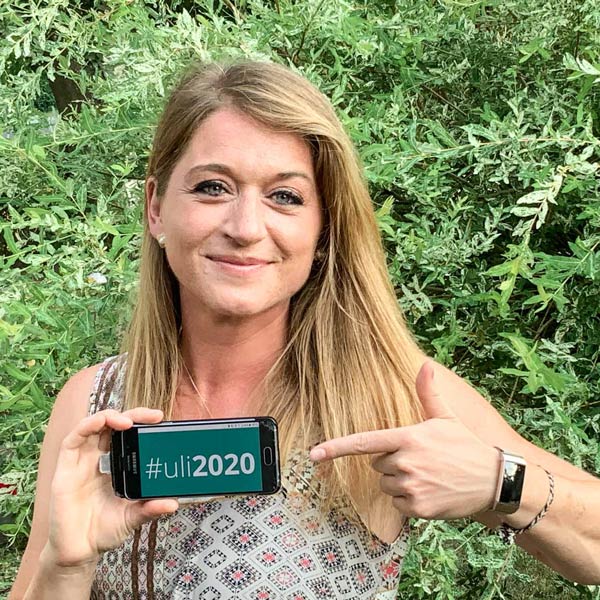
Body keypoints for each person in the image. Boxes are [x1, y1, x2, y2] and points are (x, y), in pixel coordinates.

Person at [9, 60, 600, 600]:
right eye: (213, 187)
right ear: (157, 207)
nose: (245, 227)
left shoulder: (389, 395)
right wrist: (67, 564)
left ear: (322, 231)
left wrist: (502, 482)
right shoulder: (95, 407)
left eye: (285, 197)